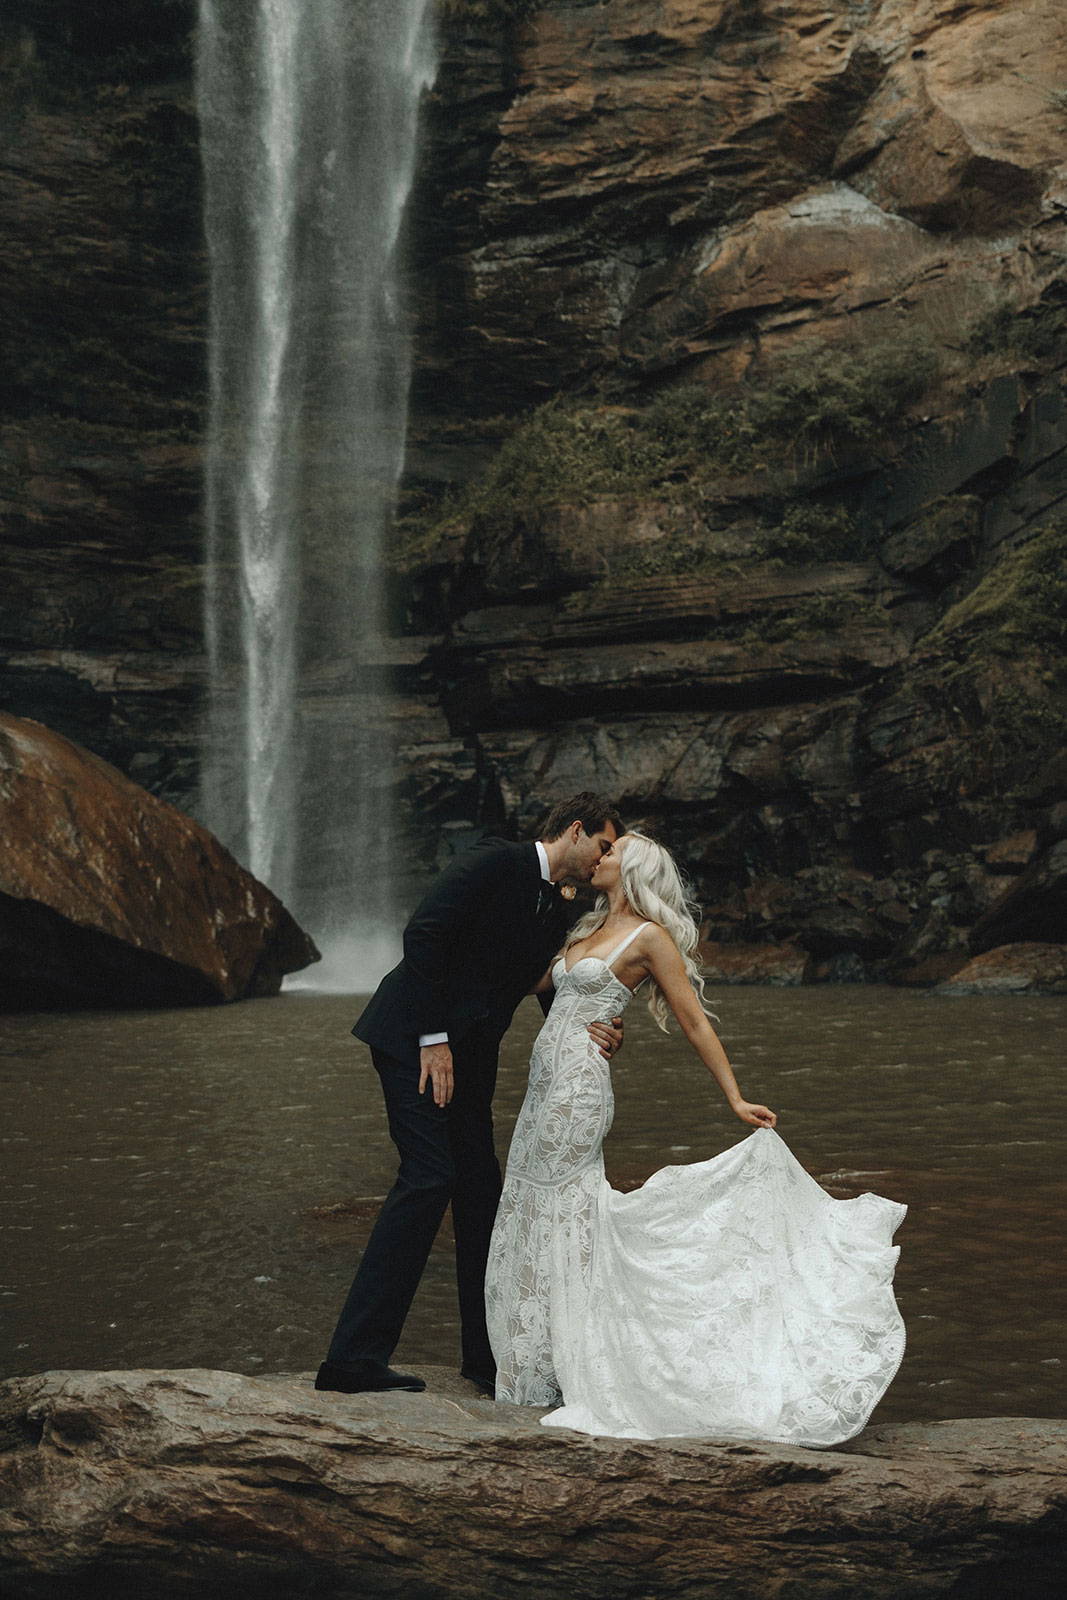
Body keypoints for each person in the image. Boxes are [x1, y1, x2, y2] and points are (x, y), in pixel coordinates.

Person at [486, 830, 906, 1446]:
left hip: (578, 1092)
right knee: (527, 1203)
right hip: (541, 1086)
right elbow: (533, 986)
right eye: (597, 848)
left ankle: (582, 1362)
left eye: (610, 852)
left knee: (568, 1208)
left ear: (632, 868)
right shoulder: (582, 929)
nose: (598, 856)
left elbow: (690, 1017)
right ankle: (536, 1363)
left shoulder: (648, 938)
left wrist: (734, 1096)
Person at [315, 792, 624, 1397]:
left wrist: (598, 1023)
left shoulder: (557, 908)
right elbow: (423, 935)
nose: (605, 861)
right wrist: (433, 1039)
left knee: (482, 1191)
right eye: (605, 846)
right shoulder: (494, 862)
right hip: (413, 1041)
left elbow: (549, 986)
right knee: (429, 1177)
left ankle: (487, 1360)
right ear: (577, 831)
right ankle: (351, 1361)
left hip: (470, 1062)